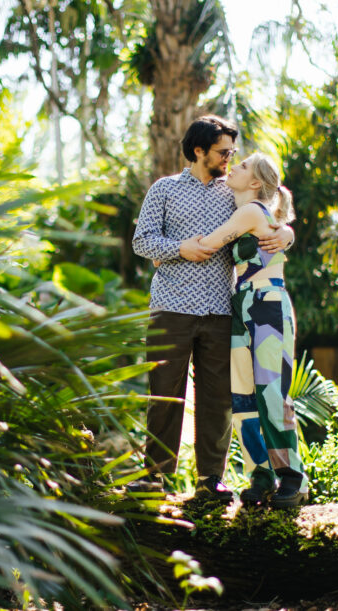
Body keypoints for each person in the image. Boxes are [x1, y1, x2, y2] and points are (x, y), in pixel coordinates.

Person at [132, 115, 292, 501]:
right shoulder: (164, 189)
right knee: (165, 393)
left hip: (222, 309)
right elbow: (142, 241)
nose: (229, 158)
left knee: (217, 398)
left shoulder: (233, 192)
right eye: (223, 152)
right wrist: (178, 248)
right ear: (199, 150)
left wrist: (286, 233)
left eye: (232, 153)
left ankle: (210, 481)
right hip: (170, 307)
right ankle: (155, 478)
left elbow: (269, 213)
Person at [195, 152, 307, 507]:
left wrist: (165, 248)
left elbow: (210, 245)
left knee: (272, 393)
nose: (234, 167)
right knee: (244, 397)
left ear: (255, 183)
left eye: (242, 167)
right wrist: (286, 234)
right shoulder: (249, 212)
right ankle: (261, 476)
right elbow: (279, 232)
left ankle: (294, 479)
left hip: (267, 305)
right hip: (243, 306)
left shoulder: (250, 211)